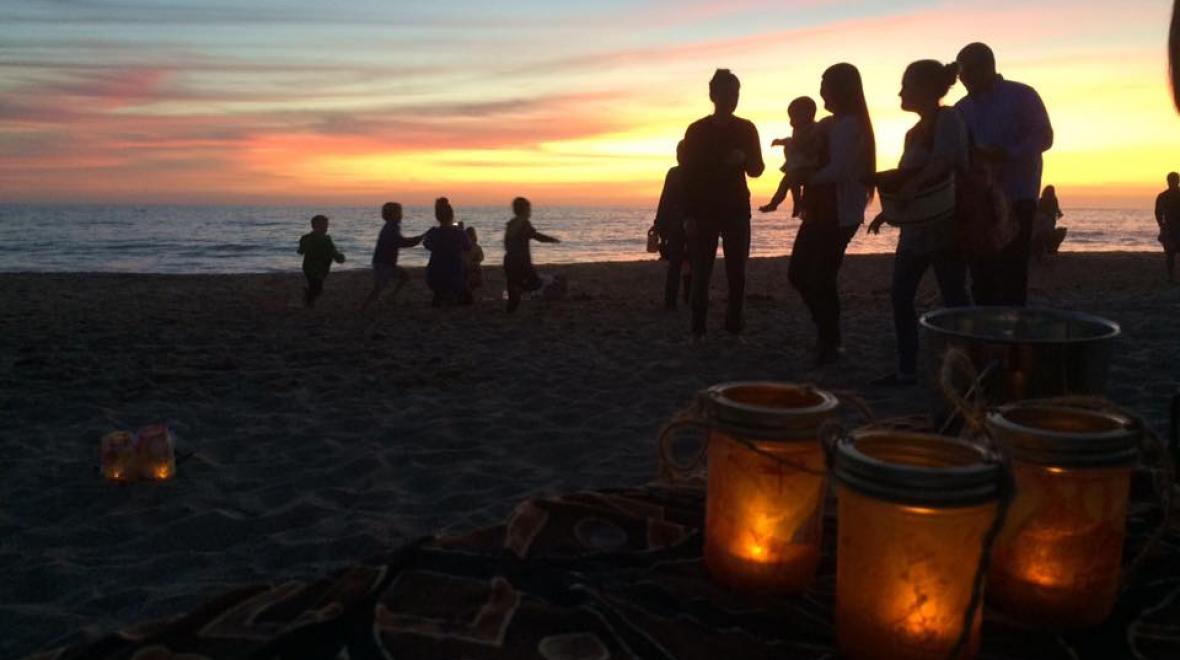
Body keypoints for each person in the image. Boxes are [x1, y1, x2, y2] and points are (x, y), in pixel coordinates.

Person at [867, 60, 971, 386]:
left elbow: (947, 160)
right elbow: (907, 177)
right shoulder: (912, 133)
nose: (901, 93)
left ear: (925, 88)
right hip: (915, 230)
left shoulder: (948, 118)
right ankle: (907, 368)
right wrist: (889, 211)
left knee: (954, 299)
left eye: (906, 86)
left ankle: (965, 367)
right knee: (901, 296)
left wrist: (914, 184)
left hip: (945, 226)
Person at [788, 63, 875, 365]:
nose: (821, 91)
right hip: (820, 210)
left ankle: (829, 340)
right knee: (802, 274)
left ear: (840, 89)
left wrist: (806, 178)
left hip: (838, 213)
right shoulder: (832, 123)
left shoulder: (850, 125)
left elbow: (840, 169)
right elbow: (805, 138)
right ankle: (827, 335)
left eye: (825, 84)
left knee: (819, 278)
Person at [954, 42, 1054, 306]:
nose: (963, 78)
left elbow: (1044, 137)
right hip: (978, 201)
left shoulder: (1022, 95)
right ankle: (986, 326)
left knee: (1012, 271)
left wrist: (1008, 153)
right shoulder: (961, 108)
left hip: (1017, 195)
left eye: (968, 71)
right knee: (981, 272)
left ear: (988, 67)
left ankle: (1012, 328)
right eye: (961, 73)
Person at [681, 68, 765, 340]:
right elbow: (687, 175)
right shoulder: (697, 130)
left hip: (736, 209)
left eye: (735, 94)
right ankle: (698, 328)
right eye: (727, 94)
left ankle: (734, 326)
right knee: (701, 272)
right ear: (713, 95)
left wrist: (744, 158)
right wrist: (688, 215)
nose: (732, 99)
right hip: (703, 210)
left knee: (737, 272)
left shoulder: (746, 129)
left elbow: (757, 169)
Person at [760, 96, 822, 217]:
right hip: (797, 166)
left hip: (809, 166)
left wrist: (801, 147)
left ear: (808, 115)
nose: (791, 121)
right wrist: (781, 141)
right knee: (786, 182)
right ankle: (775, 203)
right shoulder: (798, 130)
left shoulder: (815, 129)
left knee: (793, 179)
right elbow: (792, 141)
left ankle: (798, 204)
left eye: (794, 117)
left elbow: (815, 146)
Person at [360, 202, 423, 311]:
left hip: (386, 263)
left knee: (404, 277)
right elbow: (401, 242)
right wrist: (417, 240)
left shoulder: (391, 227)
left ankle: (390, 297)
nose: (401, 215)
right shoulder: (391, 228)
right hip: (384, 263)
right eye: (399, 212)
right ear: (393, 214)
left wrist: (416, 239)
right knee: (379, 287)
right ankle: (365, 307)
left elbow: (400, 241)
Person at [503, 197, 560, 313]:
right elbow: (536, 236)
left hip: (509, 260)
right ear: (525, 210)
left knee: (513, 285)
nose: (530, 211)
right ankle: (519, 291)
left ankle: (510, 310)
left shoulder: (511, 224)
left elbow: (506, 243)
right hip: (522, 261)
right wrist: (551, 240)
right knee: (535, 283)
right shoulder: (524, 224)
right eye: (529, 209)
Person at [654, 140, 691, 309]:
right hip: (683, 223)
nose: (679, 156)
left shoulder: (676, 173)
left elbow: (665, 200)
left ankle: (673, 300)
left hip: (680, 223)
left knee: (678, 263)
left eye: (680, 153)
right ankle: (684, 298)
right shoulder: (684, 173)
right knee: (686, 262)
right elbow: (665, 200)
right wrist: (659, 224)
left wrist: (660, 224)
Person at [422, 197, 472, 306]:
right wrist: (461, 231)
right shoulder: (459, 233)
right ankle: (455, 293)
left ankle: (441, 294)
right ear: (452, 215)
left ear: (437, 217)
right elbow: (468, 246)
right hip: (455, 274)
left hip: (434, 275)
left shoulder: (433, 232)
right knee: (465, 266)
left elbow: (426, 245)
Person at [297, 214, 345, 308]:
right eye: (323, 226)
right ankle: (308, 302)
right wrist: (338, 257)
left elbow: (332, 251)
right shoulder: (308, 238)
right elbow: (301, 251)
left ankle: (308, 298)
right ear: (314, 226)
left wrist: (339, 257)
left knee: (315, 286)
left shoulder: (325, 239)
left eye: (326, 226)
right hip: (312, 267)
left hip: (321, 267)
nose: (325, 228)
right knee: (317, 287)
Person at [1155, 172, 1180, 281]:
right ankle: (1170, 277)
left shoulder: (1163, 196)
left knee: (1170, 254)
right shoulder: (1163, 196)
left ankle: (1171, 277)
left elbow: (1158, 213)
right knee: (1170, 254)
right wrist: (1162, 226)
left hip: (1169, 228)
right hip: (1170, 228)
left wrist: (1161, 225)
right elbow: (1158, 213)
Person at [1031, 185, 1065, 257]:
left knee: (1043, 233)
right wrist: (1058, 213)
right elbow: (1056, 209)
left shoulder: (1042, 200)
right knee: (1047, 233)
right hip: (1046, 219)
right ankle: (1048, 249)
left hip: (1043, 219)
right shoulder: (1052, 199)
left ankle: (1044, 249)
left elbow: (1039, 211)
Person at [464, 225, 485, 295]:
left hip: (470, 267)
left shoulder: (475, 247)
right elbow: (481, 258)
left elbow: (481, 258)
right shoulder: (476, 247)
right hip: (471, 268)